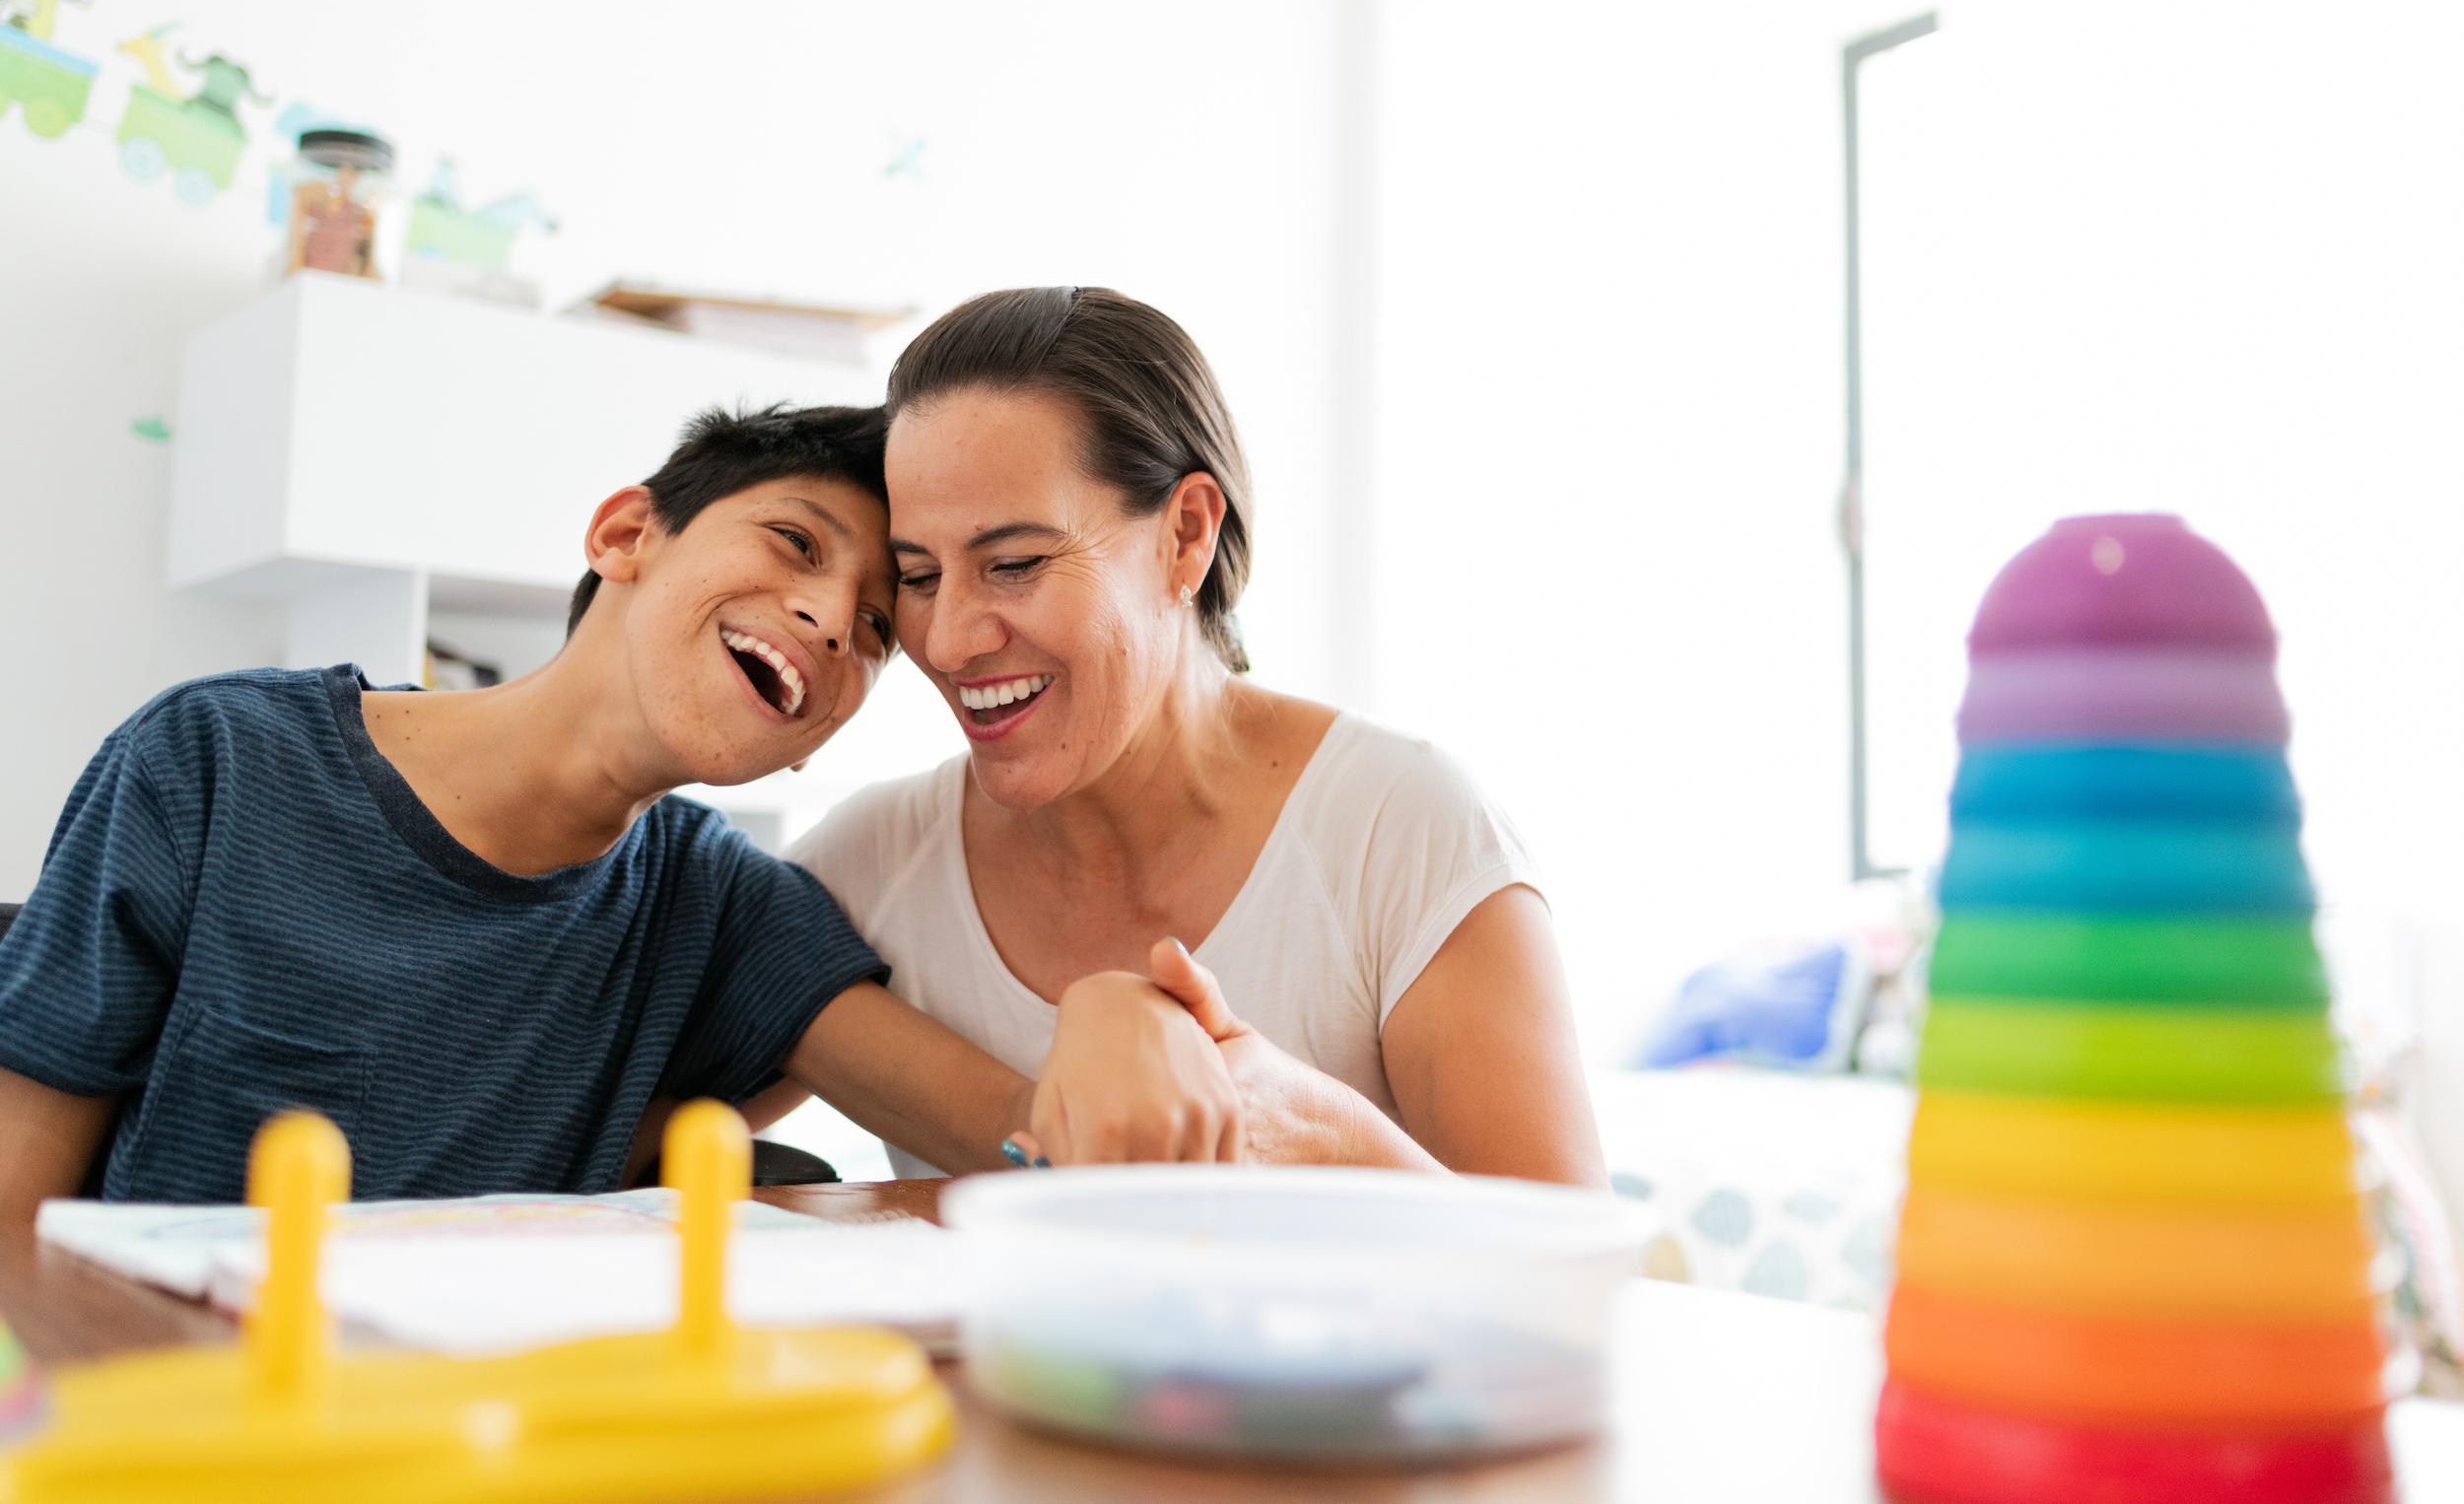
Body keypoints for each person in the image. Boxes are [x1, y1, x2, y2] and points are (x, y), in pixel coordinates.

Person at [0, 404, 1238, 1221]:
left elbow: (1036, 1142)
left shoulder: (720, 905)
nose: (825, 617)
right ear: (627, 530)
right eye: (793, 542)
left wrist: (1121, 1008)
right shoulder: (217, 761)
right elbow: (13, 1216)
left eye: (873, 627)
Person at [791, 289, 1606, 1184]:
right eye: (917, 575)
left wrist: (1325, 1133)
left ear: (1186, 535)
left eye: (1015, 564)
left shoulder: (1400, 828)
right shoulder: (873, 868)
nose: (946, 640)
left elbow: (1577, 1284)